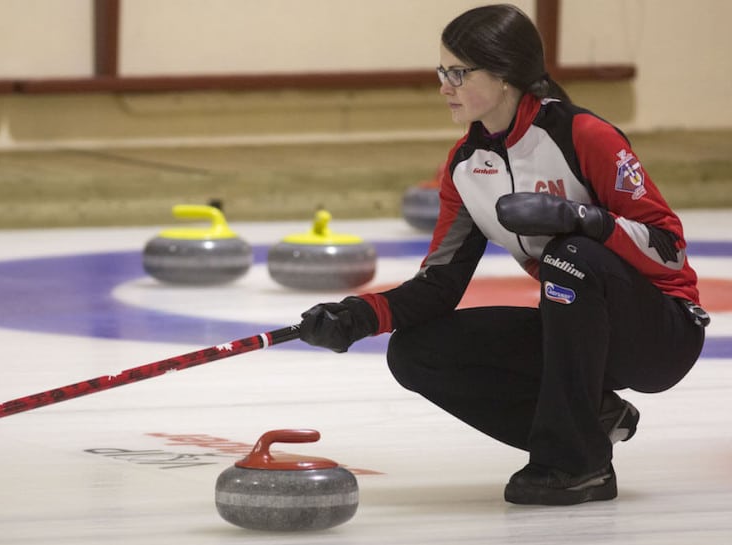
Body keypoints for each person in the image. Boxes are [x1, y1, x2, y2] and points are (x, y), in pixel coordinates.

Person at [298, 3, 708, 506]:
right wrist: (359, 315)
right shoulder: (466, 167)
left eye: (457, 72)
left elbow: (669, 249)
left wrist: (586, 220)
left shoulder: (583, 136)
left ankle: (575, 464)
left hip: (660, 334)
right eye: (441, 71)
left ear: (505, 73)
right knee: (415, 353)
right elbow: (439, 286)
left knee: (570, 255)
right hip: (577, 335)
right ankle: (592, 424)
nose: (444, 85)